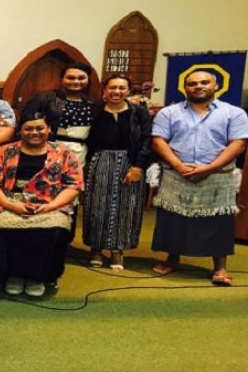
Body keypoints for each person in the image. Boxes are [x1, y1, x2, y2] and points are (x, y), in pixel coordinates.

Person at [151, 70, 248, 286]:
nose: (198, 86)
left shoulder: (234, 113)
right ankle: (172, 258)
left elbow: (238, 144)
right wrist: (178, 165)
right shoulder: (168, 113)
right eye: (192, 83)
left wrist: (210, 168)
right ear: (184, 87)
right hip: (177, 173)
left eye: (204, 82)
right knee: (173, 219)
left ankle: (220, 267)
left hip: (217, 176)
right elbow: (158, 141)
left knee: (218, 221)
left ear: (216, 85)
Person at [0, 111, 83, 296]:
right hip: (9, 201)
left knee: (56, 229)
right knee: (4, 227)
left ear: (49, 129)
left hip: (50, 203)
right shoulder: (3, 151)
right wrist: (11, 205)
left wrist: (51, 207)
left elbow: (74, 186)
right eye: (28, 128)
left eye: (40, 128)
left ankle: (39, 277)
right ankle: (13, 275)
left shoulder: (64, 154)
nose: (34, 132)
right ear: (20, 130)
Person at [83, 75, 153, 270]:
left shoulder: (139, 112)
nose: (117, 92)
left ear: (128, 91)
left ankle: (117, 251)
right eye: (112, 87)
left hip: (130, 163)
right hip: (99, 162)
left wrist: (139, 166)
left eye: (122, 88)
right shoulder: (93, 110)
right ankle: (96, 249)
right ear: (104, 90)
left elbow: (148, 139)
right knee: (96, 207)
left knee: (126, 207)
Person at [22, 62, 95, 166]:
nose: (76, 81)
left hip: (80, 154)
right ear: (62, 79)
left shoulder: (92, 104)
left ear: (88, 80)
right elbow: (25, 125)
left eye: (81, 78)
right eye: (71, 78)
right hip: (48, 150)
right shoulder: (45, 98)